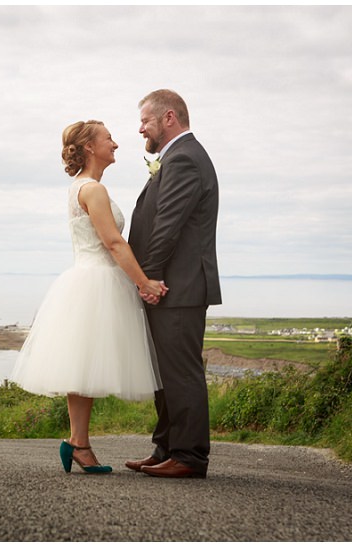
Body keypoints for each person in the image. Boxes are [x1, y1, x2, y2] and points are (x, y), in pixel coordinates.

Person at [11, 120, 166, 474]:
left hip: (85, 279)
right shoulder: (93, 190)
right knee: (84, 366)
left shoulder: (78, 187)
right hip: (97, 280)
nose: (116, 144)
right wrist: (144, 283)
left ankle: (78, 442)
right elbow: (113, 244)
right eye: (108, 138)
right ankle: (78, 443)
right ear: (89, 147)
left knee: (83, 367)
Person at [125, 89, 222, 479]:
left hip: (177, 286)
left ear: (168, 118)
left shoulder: (184, 158)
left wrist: (149, 277)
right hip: (172, 285)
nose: (140, 128)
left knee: (181, 372)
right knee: (165, 373)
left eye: (145, 120)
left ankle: (190, 456)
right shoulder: (178, 157)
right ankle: (165, 447)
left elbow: (168, 225)